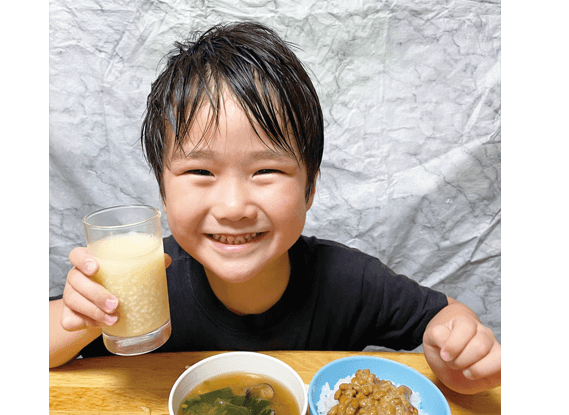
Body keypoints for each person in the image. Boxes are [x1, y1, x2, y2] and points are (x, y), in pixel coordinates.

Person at [49, 21, 501, 394]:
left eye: (265, 171)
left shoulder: (348, 281)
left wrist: (459, 353)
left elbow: (441, 314)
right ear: (163, 193)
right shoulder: (142, 282)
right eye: (200, 173)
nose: (233, 207)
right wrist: (80, 319)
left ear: (310, 188)